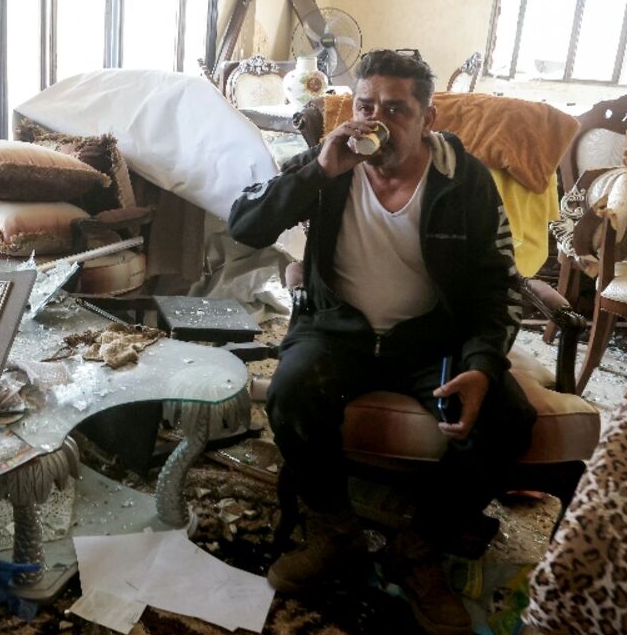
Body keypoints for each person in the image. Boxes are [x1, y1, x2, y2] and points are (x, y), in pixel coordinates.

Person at [228, 49, 536, 635]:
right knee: (290, 391)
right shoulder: (330, 165)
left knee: (507, 417)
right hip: (336, 330)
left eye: (396, 109)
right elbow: (246, 224)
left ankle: (417, 550)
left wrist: (481, 366)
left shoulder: (465, 181)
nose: (375, 120)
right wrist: (318, 171)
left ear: (429, 118)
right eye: (364, 105)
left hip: (428, 340)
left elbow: (497, 287)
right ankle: (335, 534)